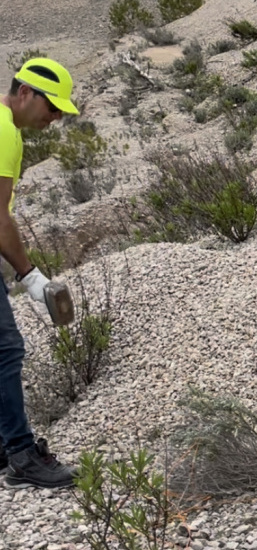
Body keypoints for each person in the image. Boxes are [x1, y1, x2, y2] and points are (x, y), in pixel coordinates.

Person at [0, 57, 80, 488]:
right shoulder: (4, 132)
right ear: (26, 93)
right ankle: (21, 456)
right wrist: (30, 275)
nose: (54, 118)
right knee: (6, 349)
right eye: (52, 108)